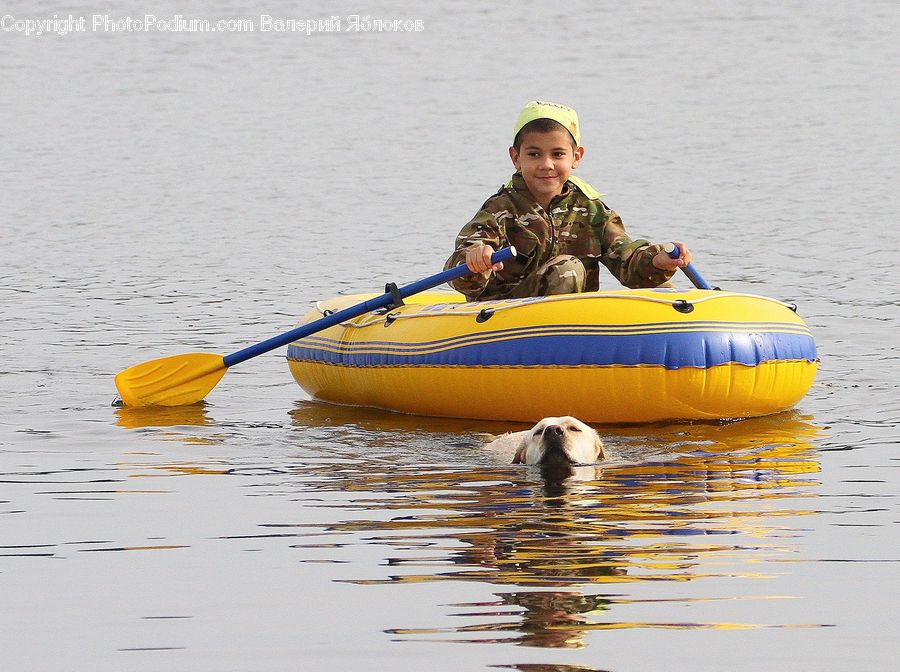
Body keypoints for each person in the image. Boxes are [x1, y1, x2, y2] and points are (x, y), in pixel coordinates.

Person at [444, 100, 693, 301]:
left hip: (572, 316)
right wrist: (475, 259)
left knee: (665, 287)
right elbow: (458, 272)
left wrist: (659, 260)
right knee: (568, 269)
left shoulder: (591, 210)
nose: (546, 164)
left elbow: (627, 260)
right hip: (506, 318)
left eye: (558, 154)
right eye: (534, 154)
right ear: (516, 158)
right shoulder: (499, 209)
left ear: (576, 157)